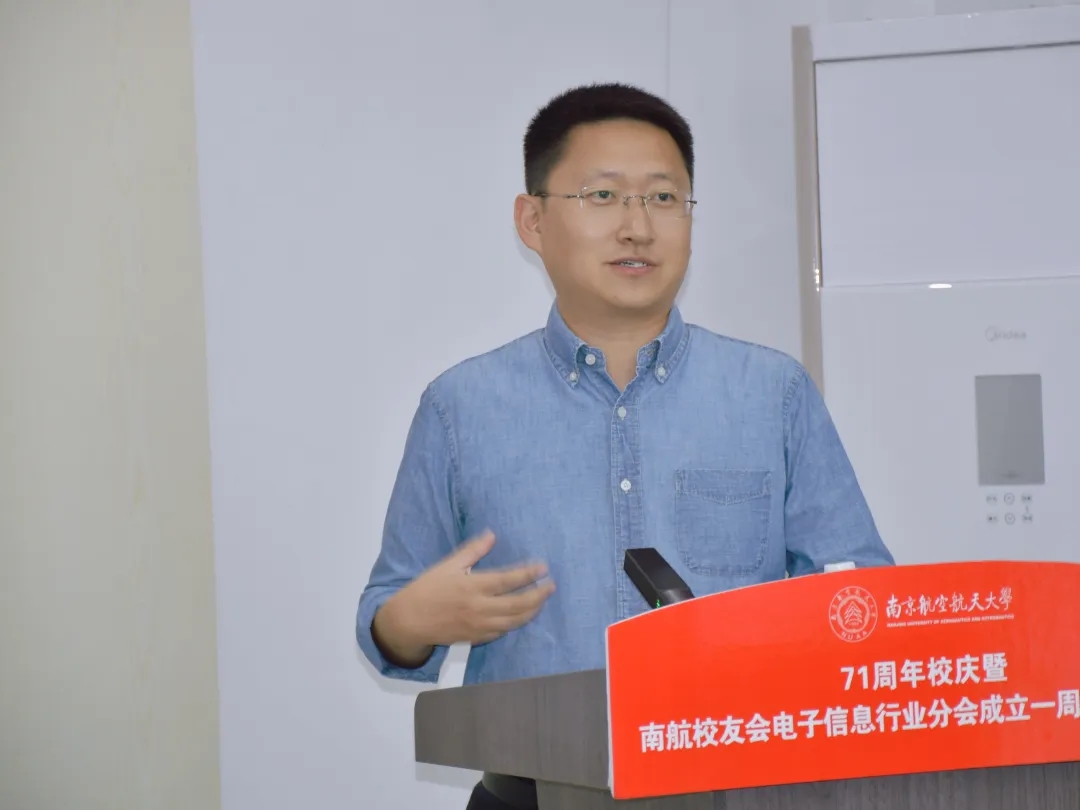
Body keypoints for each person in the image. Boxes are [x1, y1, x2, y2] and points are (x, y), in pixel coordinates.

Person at [355, 82, 894, 809]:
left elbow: (859, 597)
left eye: (664, 198)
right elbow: (387, 616)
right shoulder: (461, 407)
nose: (638, 227)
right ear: (533, 220)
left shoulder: (774, 394)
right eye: (603, 196)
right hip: (531, 792)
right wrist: (410, 623)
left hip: (737, 788)